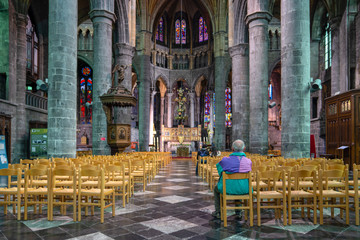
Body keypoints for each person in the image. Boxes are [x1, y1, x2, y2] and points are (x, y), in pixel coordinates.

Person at [212, 139, 252, 219]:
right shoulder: (248, 161)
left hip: (228, 189)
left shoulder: (225, 160)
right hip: (245, 189)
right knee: (239, 185)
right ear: (244, 149)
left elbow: (220, 172)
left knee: (216, 189)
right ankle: (239, 212)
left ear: (232, 149)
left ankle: (218, 212)